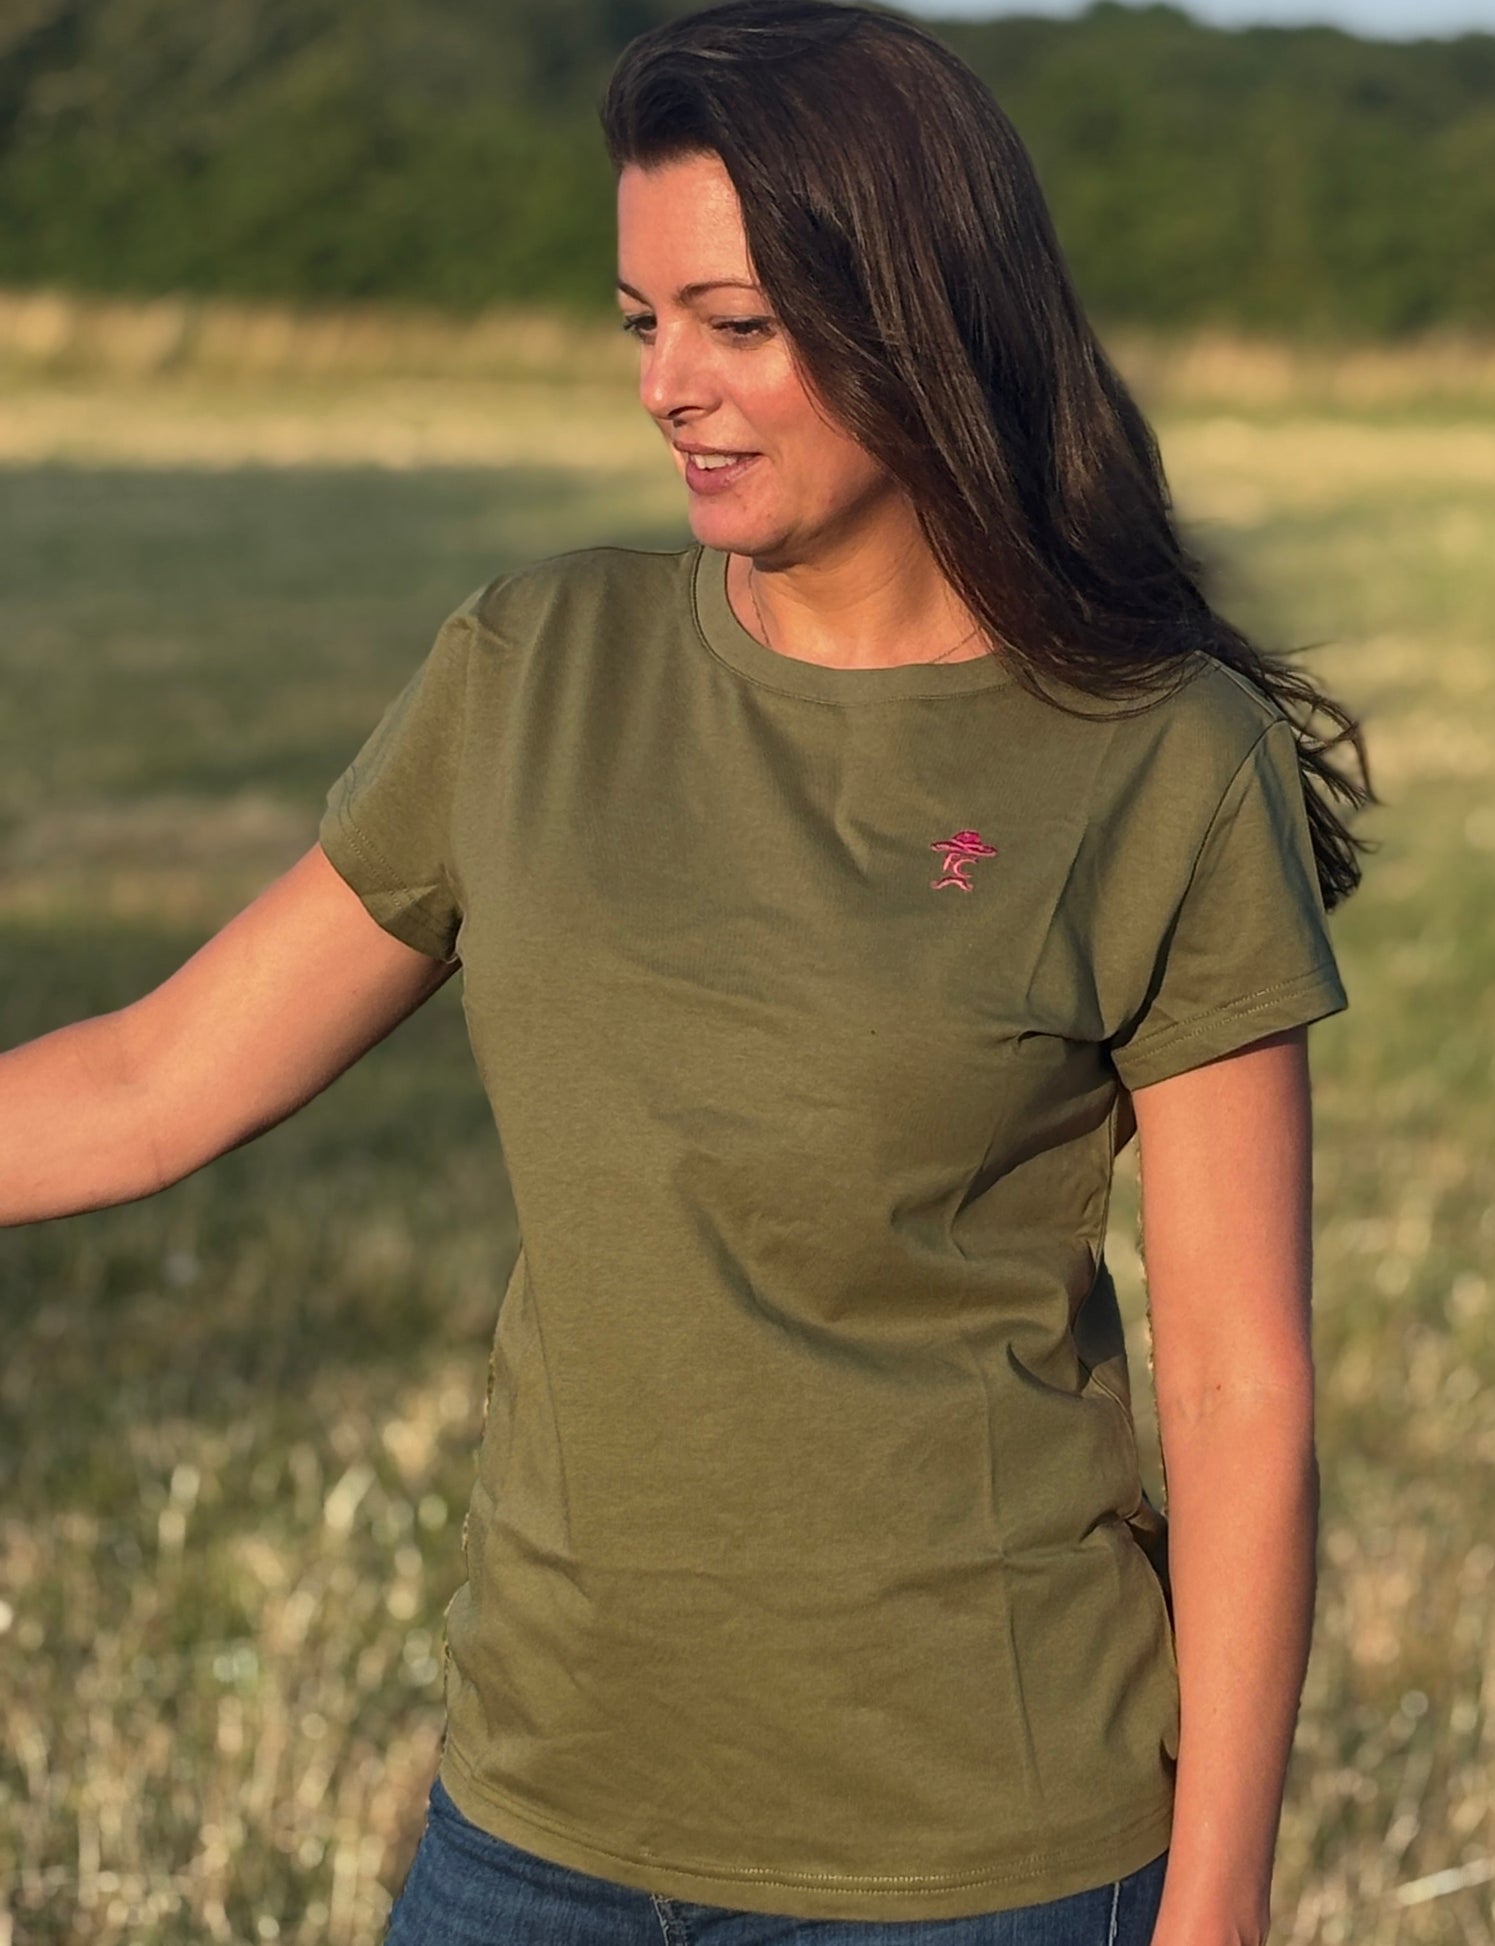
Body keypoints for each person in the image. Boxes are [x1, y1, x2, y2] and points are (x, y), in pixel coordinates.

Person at [0, 1, 1377, 1940]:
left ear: (914, 312)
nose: (670, 386)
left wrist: (1215, 1896)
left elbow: (1240, 1386)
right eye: (641, 323)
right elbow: (152, 1082)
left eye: (735, 325)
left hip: (973, 1854)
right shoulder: (530, 670)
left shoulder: (1153, 755)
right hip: (540, 1822)